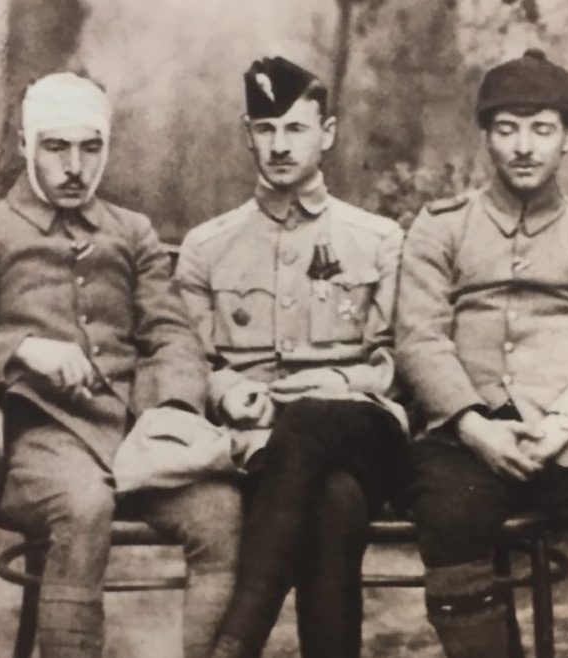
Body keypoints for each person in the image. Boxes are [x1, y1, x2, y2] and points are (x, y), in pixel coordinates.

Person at [0, 72, 239, 658]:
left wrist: (172, 412)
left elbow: (173, 335)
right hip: (36, 443)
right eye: (56, 147)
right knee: (84, 504)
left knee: (221, 514)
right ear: (25, 145)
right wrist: (21, 348)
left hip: (136, 438)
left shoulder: (131, 232)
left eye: (91, 147)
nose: (75, 167)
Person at [395, 49, 568, 658]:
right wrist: (473, 426)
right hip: (468, 438)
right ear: (486, 137)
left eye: (542, 130)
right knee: (449, 516)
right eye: (507, 129)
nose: (524, 147)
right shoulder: (440, 227)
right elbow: (420, 337)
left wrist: (562, 425)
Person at [174, 56, 407, 658]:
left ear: (326, 134)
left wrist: (336, 383)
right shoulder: (208, 247)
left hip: (359, 428)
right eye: (266, 128)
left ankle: (237, 640)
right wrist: (226, 390)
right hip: (256, 444)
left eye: (296, 128)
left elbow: (394, 362)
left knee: (313, 432)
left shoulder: (377, 240)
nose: (279, 145)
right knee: (335, 503)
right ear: (247, 134)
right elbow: (186, 359)